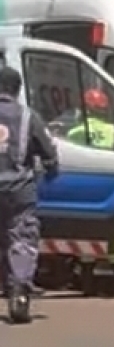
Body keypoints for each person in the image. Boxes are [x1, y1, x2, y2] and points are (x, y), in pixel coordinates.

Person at [0, 65, 59, 323]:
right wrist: (51, 170)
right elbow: (49, 151)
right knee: (21, 238)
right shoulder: (28, 117)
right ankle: (20, 292)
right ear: (17, 89)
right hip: (19, 190)